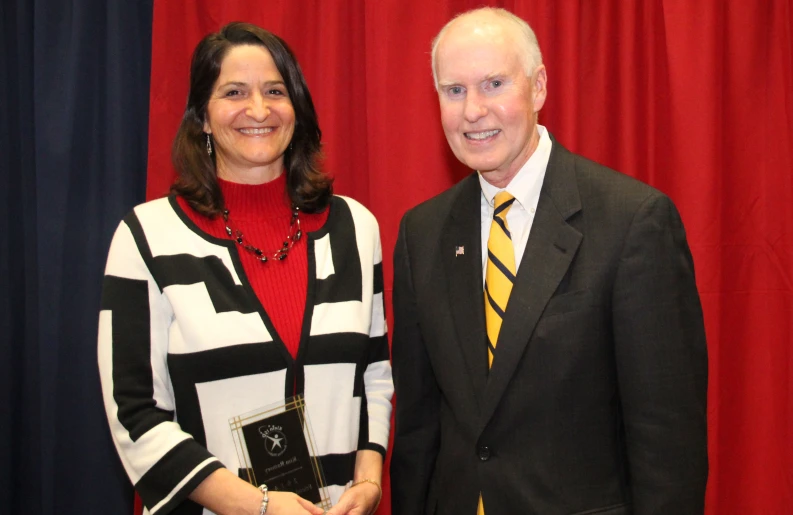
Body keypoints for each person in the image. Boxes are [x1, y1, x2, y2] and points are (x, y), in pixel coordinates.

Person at [390, 7, 708, 515]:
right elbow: (418, 429)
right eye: (454, 90)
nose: (472, 110)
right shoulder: (420, 234)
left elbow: (668, 442)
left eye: (493, 83)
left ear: (538, 87)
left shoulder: (633, 222)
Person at [98, 22, 392, 515]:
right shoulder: (146, 236)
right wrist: (254, 506)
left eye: (275, 91)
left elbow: (376, 374)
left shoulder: (355, 228)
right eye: (234, 92)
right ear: (204, 118)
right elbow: (135, 413)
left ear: (296, 107)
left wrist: (369, 480)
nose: (258, 110)